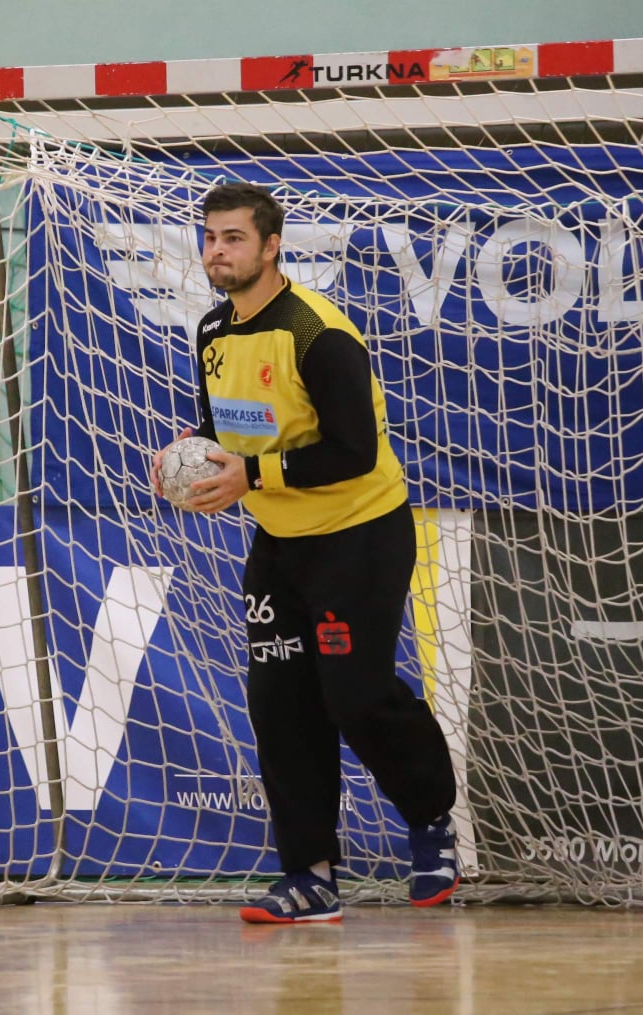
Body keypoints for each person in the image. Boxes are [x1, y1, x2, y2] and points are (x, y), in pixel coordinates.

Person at [151, 182, 459, 924]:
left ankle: (430, 820)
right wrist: (191, 455)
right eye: (210, 237)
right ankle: (310, 876)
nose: (217, 251)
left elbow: (355, 451)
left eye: (233, 238)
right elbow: (225, 424)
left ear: (271, 246)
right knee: (278, 702)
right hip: (281, 542)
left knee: (354, 694)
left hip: (359, 532)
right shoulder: (213, 330)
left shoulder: (318, 333)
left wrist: (251, 475)